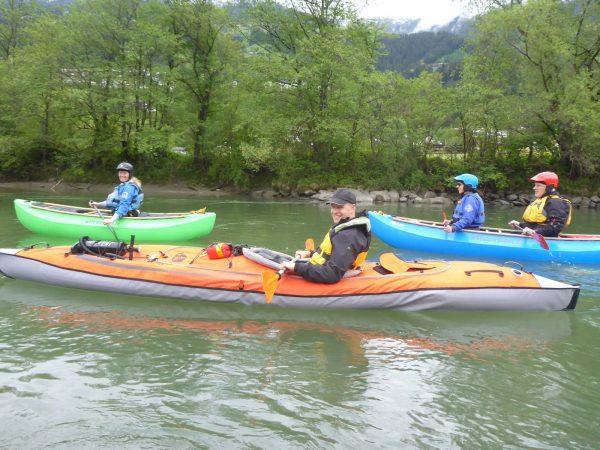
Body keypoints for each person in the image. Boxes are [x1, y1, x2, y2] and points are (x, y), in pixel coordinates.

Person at [281, 188, 371, 284]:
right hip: (322, 266)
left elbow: (332, 274)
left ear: (353, 207)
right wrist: (310, 254)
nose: (334, 211)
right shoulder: (346, 226)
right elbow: (334, 254)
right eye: (333, 207)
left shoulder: (349, 236)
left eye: (339, 207)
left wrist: (296, 267)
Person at [508, 171, 571, 237]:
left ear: (549, 188)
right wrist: (520, 224)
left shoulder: (556, 203)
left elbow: (555, 227)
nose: (534, 188)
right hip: (537, 236)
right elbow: (538, 225)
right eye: (535, 185)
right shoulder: (543, 201)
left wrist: (534, 232)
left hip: (549, 240)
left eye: (538, 185)